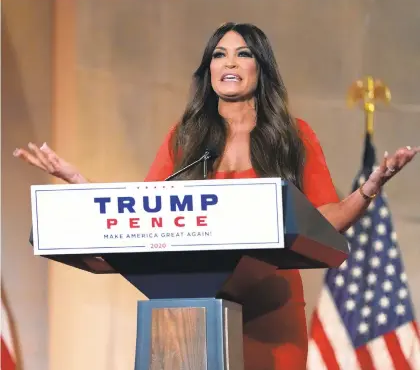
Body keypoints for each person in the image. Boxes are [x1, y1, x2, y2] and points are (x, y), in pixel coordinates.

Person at [14, 22, 419, 369]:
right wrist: (79, 183)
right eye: (219, 55)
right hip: (191, 310)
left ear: (260, 68)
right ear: (208, 69)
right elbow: (139, 214)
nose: (228, 63)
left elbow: (325, 218)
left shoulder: (294, 136)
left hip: (271, 310)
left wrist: (368, 189)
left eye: (242, 54)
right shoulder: (186, 139)